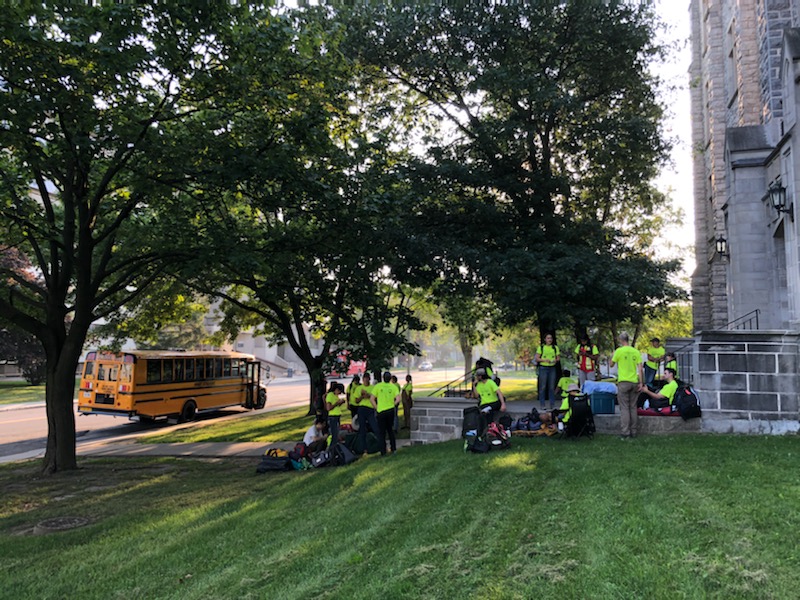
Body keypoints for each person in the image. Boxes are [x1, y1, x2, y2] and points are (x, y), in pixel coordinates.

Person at [610, 332, 643, 439]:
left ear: (620, 340)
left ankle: (625, 432)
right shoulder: (635, 351)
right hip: (634, 381)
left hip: (623, 382)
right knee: (633, 407)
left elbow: (611, 364)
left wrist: (612, 355)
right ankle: (634, 431)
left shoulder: (619, 351)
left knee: (624, 408)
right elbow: (640, 369)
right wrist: (641, 382)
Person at [370, 371, 402, 455]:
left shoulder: (378, 386)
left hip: (381, 411)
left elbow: (372, 399)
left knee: (382, 432)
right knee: (390, 430)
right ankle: (393, 448)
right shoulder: (393, 387)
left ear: (383, 378)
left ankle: (383, 451)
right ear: (390, 378)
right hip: (390, 410)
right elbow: (398, 398)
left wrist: (376, 407)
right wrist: (393, 404)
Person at [355, 372, 379, 455]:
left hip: (370, 409)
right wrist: (362, 396)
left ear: (369, 379)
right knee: (362, 429)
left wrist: (368, 395)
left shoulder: (373, 388)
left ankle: (381, 445)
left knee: (375, 427)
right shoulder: (359, 388)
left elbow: (375, 398)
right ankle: (364, 449)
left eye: (367, 379)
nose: (365, 381)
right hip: (362, 409)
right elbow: (356, 401)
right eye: (364, 379)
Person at [535, 333, 560, 409]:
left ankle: (552, 404)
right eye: (548, 338)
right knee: (543, 386)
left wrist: (554, 360)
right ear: (545, 339)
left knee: (552, 387)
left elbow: (558, 358)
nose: (550, 340)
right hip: (543, 367)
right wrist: (545, 360)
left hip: (552, 368)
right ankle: (542, 404)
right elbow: (537, 358)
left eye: (551, 338)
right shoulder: (541, 347)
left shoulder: (555, 348)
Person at [325, 382, 346, 448]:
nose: (340, 393)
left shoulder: (335, 396)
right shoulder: (330, 395)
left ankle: (335, 447)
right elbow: (328, 408)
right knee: (334, 434)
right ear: (336, 389)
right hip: (333, 417)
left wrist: (341, 403)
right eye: (339, 391)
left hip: (337, 416)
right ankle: (332, 448)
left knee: (337, 433)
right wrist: (337, 403)